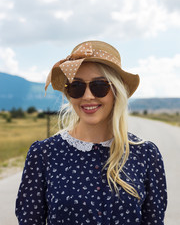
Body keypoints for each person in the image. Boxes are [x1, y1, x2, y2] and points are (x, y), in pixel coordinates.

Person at [15, 41, 167, 224]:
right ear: (69, 94)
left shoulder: (146, 154)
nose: (87, 96)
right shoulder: (43, 154)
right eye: (76, 86)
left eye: (99, 86)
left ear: (116, 91)